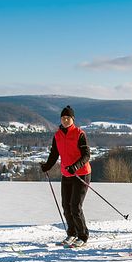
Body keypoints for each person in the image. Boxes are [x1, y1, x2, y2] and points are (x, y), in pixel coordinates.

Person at [40, 105, 92, 247]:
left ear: (72, 119)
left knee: (75, 206)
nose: (65, 120)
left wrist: (75, 166)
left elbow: (86, 155)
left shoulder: (79, 133)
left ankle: (82, 236)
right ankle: (72, 233)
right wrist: (47, 166)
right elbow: (54, 154)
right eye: (63, 118)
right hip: (66, 174)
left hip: (81, 173)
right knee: (66, 206)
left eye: (68, 118)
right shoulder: (57, 135)